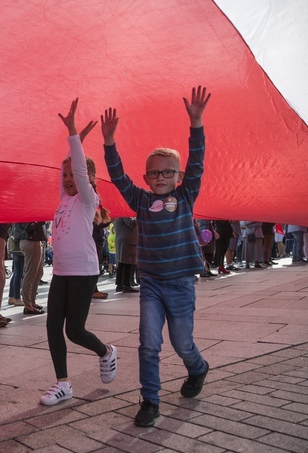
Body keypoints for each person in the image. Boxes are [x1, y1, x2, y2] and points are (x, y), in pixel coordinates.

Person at [101, 85, 212, 427]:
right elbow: (118, 177)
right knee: (148, 344)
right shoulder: (142, 201)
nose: (160, 177)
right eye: (154, 172)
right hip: (150, 284)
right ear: (147, 177)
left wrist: (196, 124)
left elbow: (197, 163)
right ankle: (150, 400)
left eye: (167, 172)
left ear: (177, 177)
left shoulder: (186, 195)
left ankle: (198, 368)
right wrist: (109, 143)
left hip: (180, 285)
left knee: (182, 344)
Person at [40, 99, 117, 406]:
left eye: (74, 175)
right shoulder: (63, 198)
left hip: (83, 272)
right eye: (66, 176)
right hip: (60, 271)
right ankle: (62, 384)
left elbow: (81, 176)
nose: (69, 179)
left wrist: (73, 133)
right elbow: (69, 170)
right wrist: (76, 143)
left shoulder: (88, 199)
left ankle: (106, 352)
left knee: (74, 330)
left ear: (87, 179)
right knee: (52, 325)